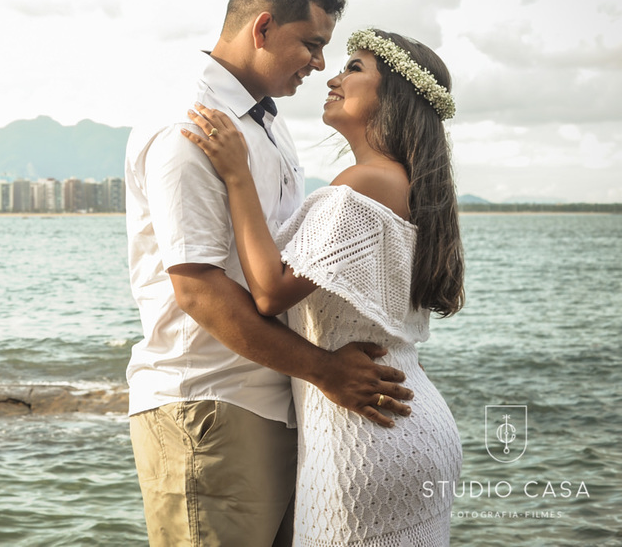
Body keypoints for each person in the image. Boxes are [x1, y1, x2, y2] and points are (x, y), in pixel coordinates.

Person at [125, 0, 414, 547]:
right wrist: (325, 370)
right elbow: (198, 288)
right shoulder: (192, 124)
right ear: (262, 29)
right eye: (311, 44)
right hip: (211, 403)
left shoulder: (268, 125)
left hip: (283, 402)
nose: (320, 63)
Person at [182, 27, 465, 545]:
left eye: (354, 68)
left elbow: (269, 292)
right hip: (409, 418)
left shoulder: (364, 184)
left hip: (364, 433)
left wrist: (238, 175)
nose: (332, 76)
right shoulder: (409, 187)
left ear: (393, 96)